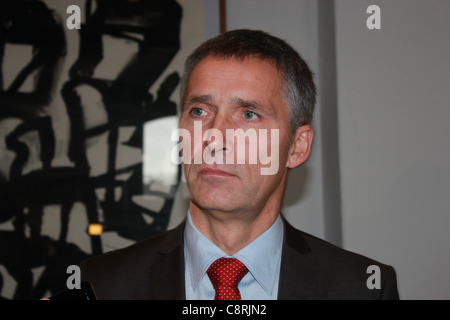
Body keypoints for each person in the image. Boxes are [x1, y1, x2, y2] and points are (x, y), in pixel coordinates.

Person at [79, 29, 399, 300]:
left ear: (297, 147)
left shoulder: (362, 288)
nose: (213, 138)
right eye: (200, 111)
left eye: (248, 115)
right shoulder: (99, 286)